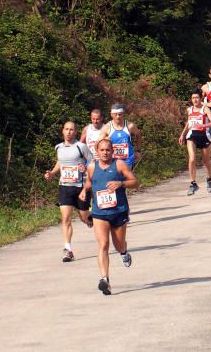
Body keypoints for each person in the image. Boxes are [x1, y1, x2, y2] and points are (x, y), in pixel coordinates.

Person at [84, 138, 138, 295]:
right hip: (100, 213)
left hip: (119, 210)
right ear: (97, 151)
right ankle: (104, 279)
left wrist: (121, 184)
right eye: (102, 150)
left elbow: (135, 182)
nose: (105, 152)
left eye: (108, 150)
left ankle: (123, 252)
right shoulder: (92, 166)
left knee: (118, 244)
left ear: (112, 151)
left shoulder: (119, 164)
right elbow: (89, 182)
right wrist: (83, 191)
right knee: (103, 245)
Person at [44, 120, 93, 262]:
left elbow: (92, 162)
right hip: (64, 186)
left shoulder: (81, 147)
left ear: (76, 132)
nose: (69, 132)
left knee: (84, 218)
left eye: (71, 129)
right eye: (66, 129)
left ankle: (91, 218)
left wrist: (86, 169)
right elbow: (61, 162)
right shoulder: (58, 147)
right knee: (65, 219)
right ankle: (68, 250)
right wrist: (52, 173)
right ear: (62, 131)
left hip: (80, 187)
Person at [178, 89, 211, 195]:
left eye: (197, 98)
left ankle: (209, 179)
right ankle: (193, 183)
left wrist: (203, 125)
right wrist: (182, 134)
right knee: (192, 159)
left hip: (204, 136)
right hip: (192, 136)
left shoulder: (205, 109)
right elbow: (188, 123)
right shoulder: (189, 109)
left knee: (206, 161)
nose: (195, 100)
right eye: (193, 98)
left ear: (201, 98)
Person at [106, 103, 141, 170]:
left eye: (120, 114)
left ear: (123, 114)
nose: (118, 117)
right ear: (111, 114)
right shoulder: (107, 127)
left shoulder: (130, 126)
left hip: (128, 161)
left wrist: (138, 150)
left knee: (128, 180)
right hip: (113, 162)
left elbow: (138, 135)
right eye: (115, 114)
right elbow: (99, 142)